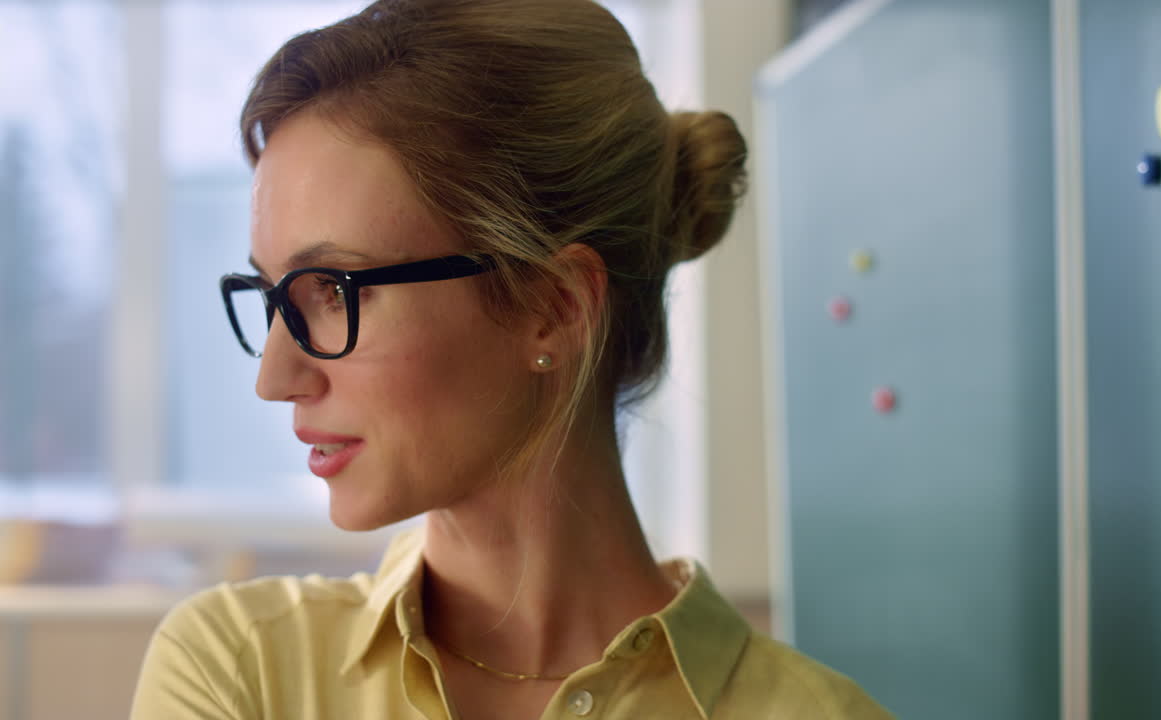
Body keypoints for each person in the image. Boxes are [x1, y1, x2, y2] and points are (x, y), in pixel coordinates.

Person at [130, 1, 891, 718]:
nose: (274, 379)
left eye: (331, 289)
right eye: (271, 297)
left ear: (552, 306)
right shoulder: (241, 670)